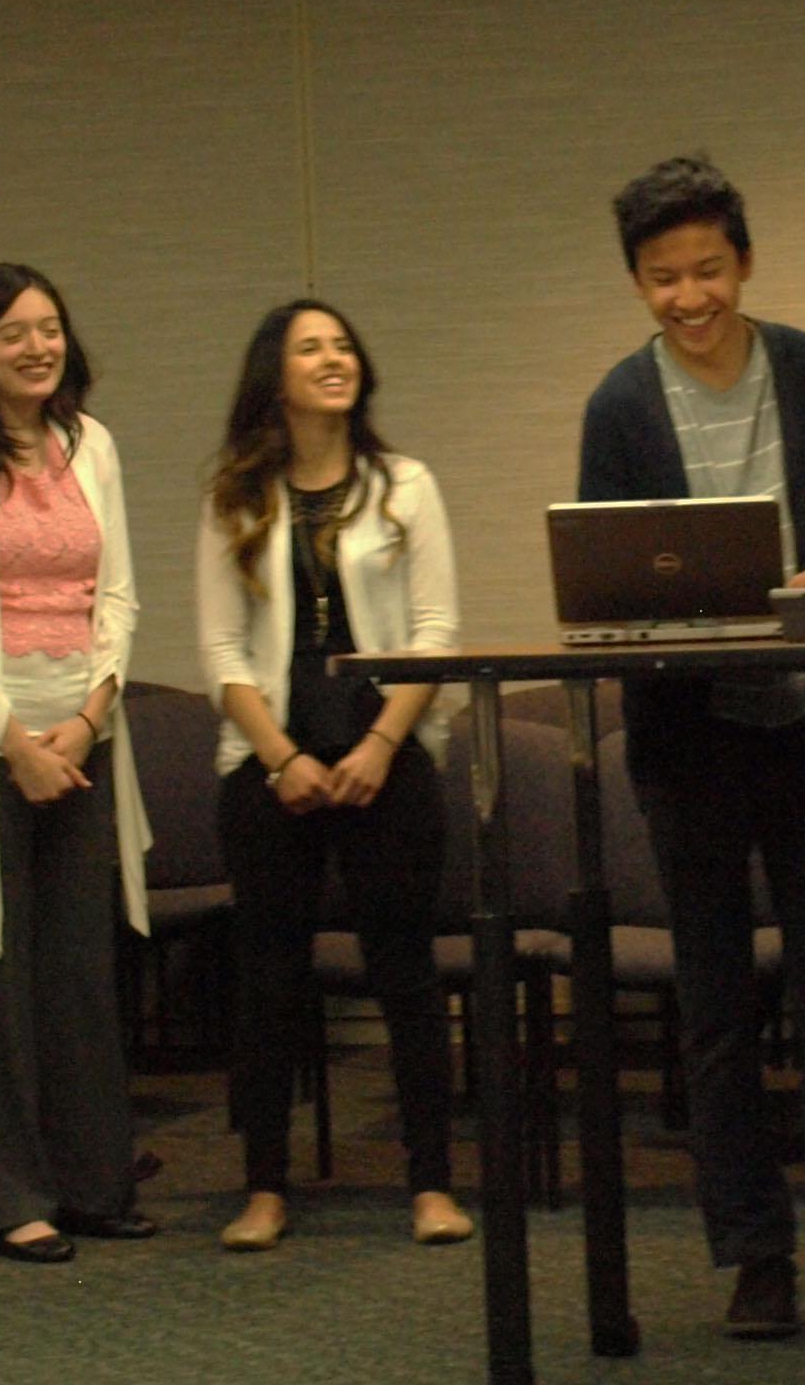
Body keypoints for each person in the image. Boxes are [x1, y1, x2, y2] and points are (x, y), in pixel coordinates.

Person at [576, 154, 805, 1357]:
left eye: (707, 269)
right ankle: (755, 1257)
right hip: (686, 741)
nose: (689, 296)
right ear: (637, 282)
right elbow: (607, 590)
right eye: (663, 277)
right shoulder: (619, 407)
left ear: (743, 261)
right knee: (717, 1009)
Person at [197, 299, 471, 1251]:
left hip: (384, 750)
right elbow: (221, 651)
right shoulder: (237, 495)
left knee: (405, 973)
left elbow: (436, 634)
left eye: (344, 345)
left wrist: (382, 745)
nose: (333, 359)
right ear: (273, 377)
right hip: (271, 760)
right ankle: (264, 1188)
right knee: (268, 979)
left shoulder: (406, 485)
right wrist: (280, 758)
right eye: (310, 348)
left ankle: (431, 1185)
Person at [0, 263, 154, 1264]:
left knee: (82, 966)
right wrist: (15, 742)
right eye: (14, 332)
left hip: (83, 733)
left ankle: (92, 1180)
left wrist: (88, 721)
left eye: (49, 328)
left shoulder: (92, 443)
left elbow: (119, 597)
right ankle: (6, 1194)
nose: (37, 347)